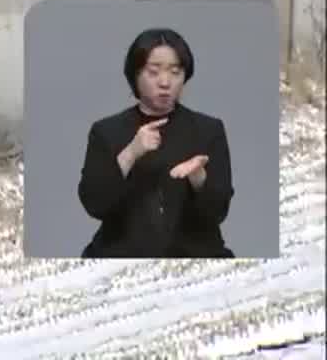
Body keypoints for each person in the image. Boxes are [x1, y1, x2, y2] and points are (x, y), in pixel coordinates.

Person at [77, 28, 234, 258]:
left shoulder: (208, 130)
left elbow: (218, 212)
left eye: (175, 71)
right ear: (135, 74)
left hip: (193, 256)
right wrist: (130, 153)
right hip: (121, 257)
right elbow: (95, 204)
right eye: (154, 72)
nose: (165, 82)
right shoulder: (106, 131)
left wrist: (198, 178)